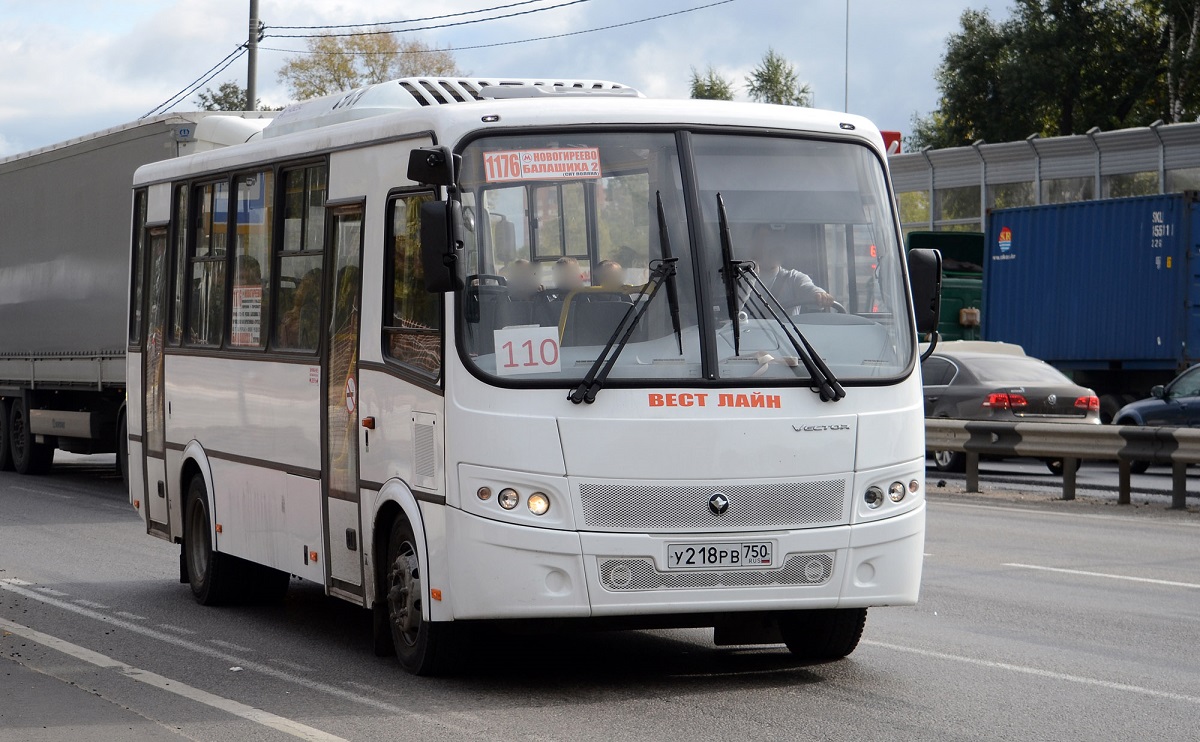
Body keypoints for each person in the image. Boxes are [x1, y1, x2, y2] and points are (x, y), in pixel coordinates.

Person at [747, 225, 834, 311]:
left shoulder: (794, 278)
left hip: (786, 326)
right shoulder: (737, 277)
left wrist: (820, 295)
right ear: (752, 244)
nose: (772, 246)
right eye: (765, 240)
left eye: (777, 242)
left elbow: (809, 289)